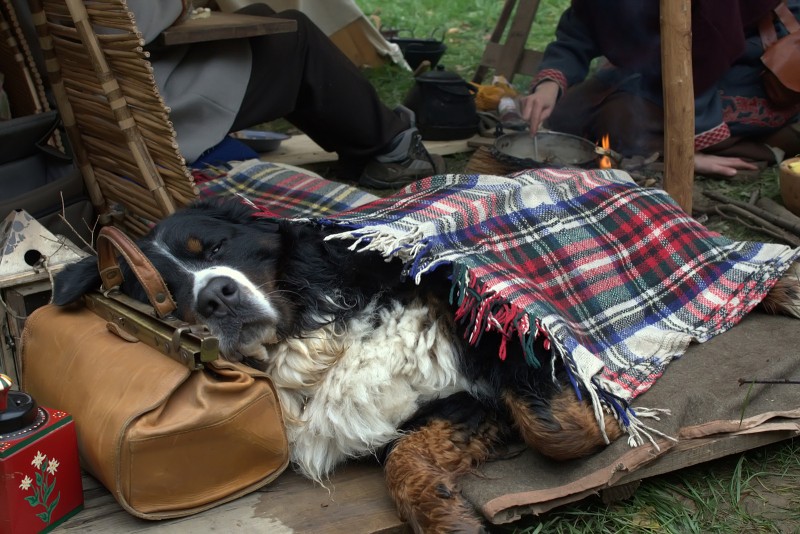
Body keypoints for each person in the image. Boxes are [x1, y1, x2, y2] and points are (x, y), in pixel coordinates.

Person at [127, 1, 444, 189]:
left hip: (127, 82)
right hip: (150, 100)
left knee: (262, 15)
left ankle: (362, 146)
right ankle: (392, 148)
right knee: (295, 33)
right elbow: (135, 19)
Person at [520, 0, 800, 177]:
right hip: (668, 56)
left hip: (748, 55)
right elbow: (580, 25)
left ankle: (770, 143)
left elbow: (711, 47)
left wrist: (687, 153)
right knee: (566, 115)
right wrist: (549, 85)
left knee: (620, 121)